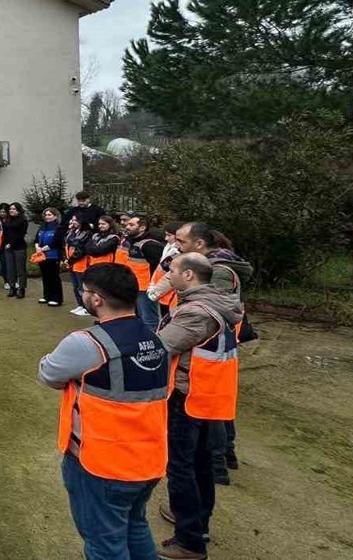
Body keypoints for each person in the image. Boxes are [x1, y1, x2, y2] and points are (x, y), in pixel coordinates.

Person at [37, 264, 170, 560]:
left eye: (84, 291)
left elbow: (48, 373)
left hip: (101, 464)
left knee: (103, 544)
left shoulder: (85, 343)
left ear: (96, 299)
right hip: (148, 458)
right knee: (135, 526)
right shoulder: (157, 340)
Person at [154, 253, 243, 560]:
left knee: (180, 466)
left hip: (187, 397)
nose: (169, 276)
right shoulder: (218, 303)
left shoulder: (196, 313)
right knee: (201, 463)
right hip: (208, 396)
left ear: (189, 275)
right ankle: (198, 521)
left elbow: (161, 346)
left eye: (173, 271)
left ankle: (189, 540)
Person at [173, 223, 254, 485]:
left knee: (212, 411)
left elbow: (208, 309)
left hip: (211, 350)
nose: (177, 246)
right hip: (213, 347)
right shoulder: (213, 267)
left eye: (181, 242)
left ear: (199, 244)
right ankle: (223, 457)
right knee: (216, 409)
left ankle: (218, 462)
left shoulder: (219, 272)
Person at [123, 214, 165, 331]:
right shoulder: (135, 242)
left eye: (131, 225)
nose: (127, 227)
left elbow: (158, 268)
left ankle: (152, 341)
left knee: (149, 318)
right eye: (127, 224)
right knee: (141, 316)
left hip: (145, 288)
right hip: (137, 285)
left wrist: (153, 286)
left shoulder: (149, 245)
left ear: (142, 228)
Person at [147, 223, 184, 322]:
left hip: (170, 295)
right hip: (162, 293)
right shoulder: (169, 248)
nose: (166, 238)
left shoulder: (177, 254)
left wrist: (155, 291)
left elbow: (169, 275)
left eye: (169, 235)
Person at [33, 208, 64, 306]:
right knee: (45, 276)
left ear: (55, 216)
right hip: (41, 256)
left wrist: (43, 249)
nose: (47, 217)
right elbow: (36, 239)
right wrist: (37, 247)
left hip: (53, 255)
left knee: (53, 277)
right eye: (46, 215)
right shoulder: (42, 227)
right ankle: (46, 296)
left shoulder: (59, 228)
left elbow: (56, 242)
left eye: (50, 215)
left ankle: (56, 298)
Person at [63, 216, 92, 315]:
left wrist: (70, 260)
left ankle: (86, 307)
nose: (73, 222)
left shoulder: (86, 233)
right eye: (73, 220)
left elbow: (80, 249)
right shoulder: (72, 232)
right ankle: (80, 305)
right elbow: (67, 242)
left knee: (81, 286)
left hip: (80, 263)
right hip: (71, 263)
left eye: (76, 220)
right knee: (75, 286)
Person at [1, 202, 29, 299]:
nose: (12, 211)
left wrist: (10, 244)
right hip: (8, 248)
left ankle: (21, 289)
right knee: (10, 269)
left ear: (19, 210)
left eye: (14, 209)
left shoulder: (23, 221)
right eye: (11, 209)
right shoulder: (7, 220)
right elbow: (4, 234)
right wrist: (5, 244)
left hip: (19, 247)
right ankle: (12, 287)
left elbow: (20, 235)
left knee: (20, 269)